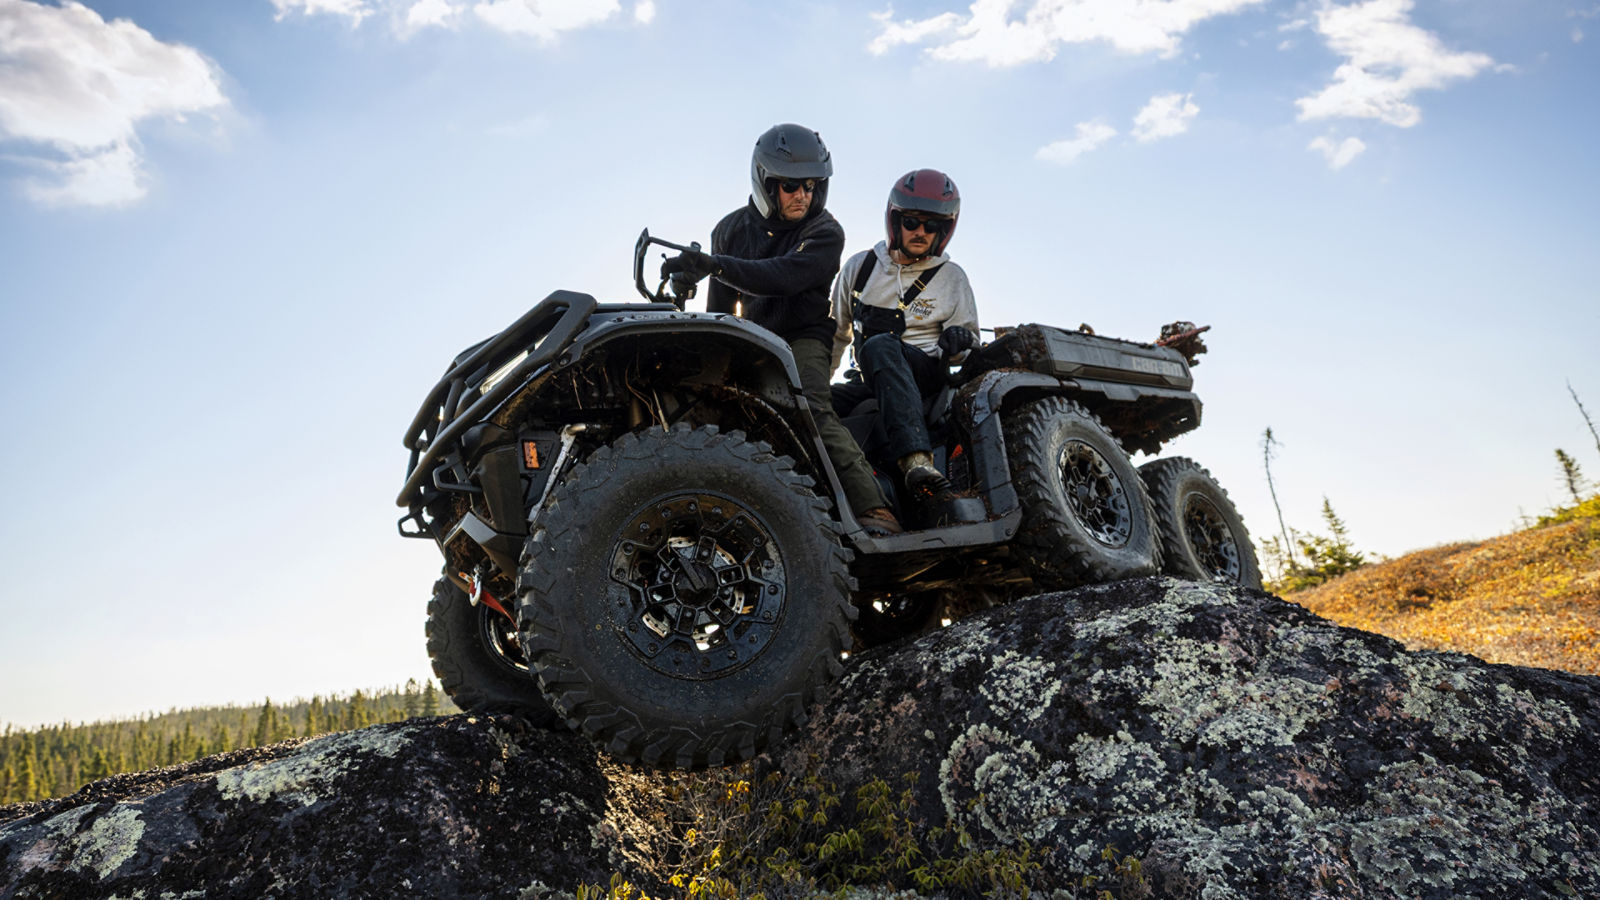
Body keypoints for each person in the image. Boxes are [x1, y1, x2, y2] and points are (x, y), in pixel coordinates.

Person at [660, 123, 902, 536]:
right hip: (750, 339)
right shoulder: (730, 230)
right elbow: (720, 308)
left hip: (802, 337)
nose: (802, 196)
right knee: (707, 408)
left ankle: (874, 507)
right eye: (791, 186)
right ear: (766, 184)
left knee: (809, 407)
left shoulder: (825, 231)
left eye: (811, 186)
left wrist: (715, 265)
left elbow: (783, 276)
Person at [829, 168, 979, 501]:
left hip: (925, 374)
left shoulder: (952, 278)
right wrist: (813, 387)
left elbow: (970, 349)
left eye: (932, 226)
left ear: (945, 230)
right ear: (895, 220)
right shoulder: (860, 267)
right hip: (869, 378)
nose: (921, 232)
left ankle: (917, 462)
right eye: (912, 222)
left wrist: (957, 344)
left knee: (882, 345)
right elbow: (837, 335)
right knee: (818, 403)